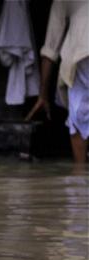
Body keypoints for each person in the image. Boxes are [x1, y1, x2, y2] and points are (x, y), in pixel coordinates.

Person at [25, 0, 88, 163]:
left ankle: (79, 174)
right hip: (82, 53)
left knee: (79, 119)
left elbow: (50, 49)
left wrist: (42, 94)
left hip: (82, 54)